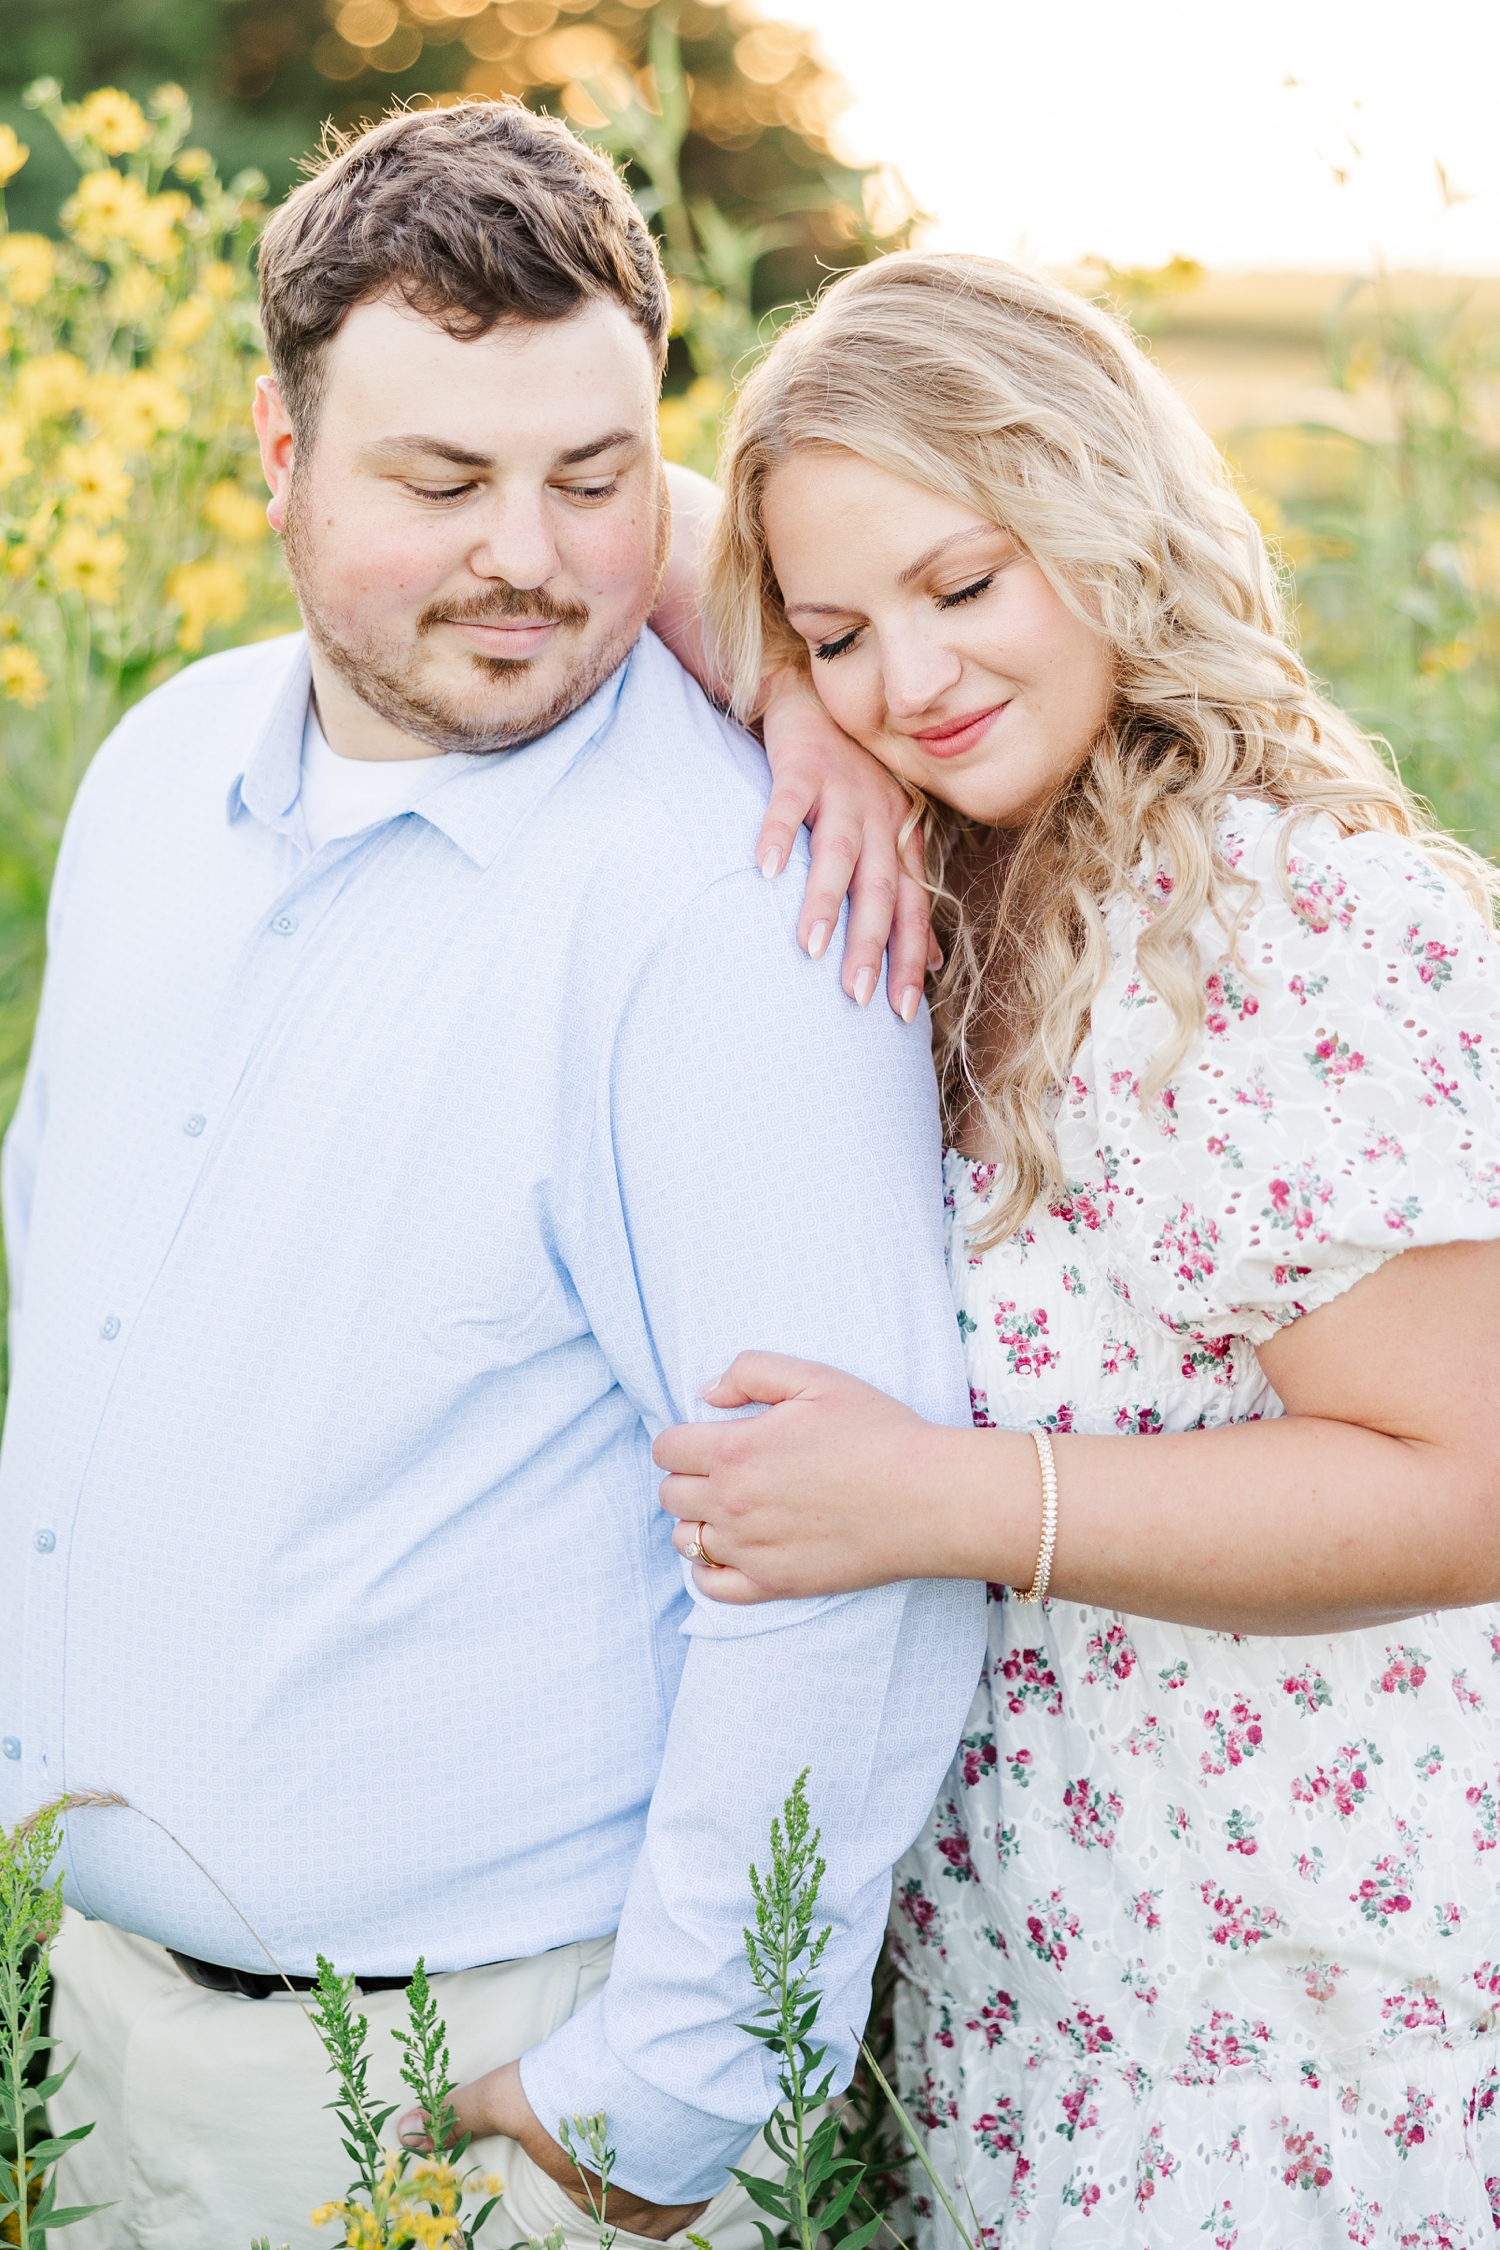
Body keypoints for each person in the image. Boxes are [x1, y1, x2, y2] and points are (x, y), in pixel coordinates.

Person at [0, 109, 986, 2250]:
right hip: (96, 2052)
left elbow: (852, 1562)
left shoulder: (747, 910)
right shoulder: (156, 774)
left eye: (598, 475)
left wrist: (659, 2099)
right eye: (440, 481)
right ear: (276, 452)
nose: (529, 556)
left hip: (480, 2095)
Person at [652, 253, 1500, 2246]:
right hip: (1044, 2018)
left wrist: (926, 1499)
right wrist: (786, 696)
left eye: (965, 586)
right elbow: (616, 522)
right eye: (841, 630)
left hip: (1312, 2041)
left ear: (1109, 517)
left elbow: (1469, 1482)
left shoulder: (1306, 920)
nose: (911, 680)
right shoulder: (978, 889)